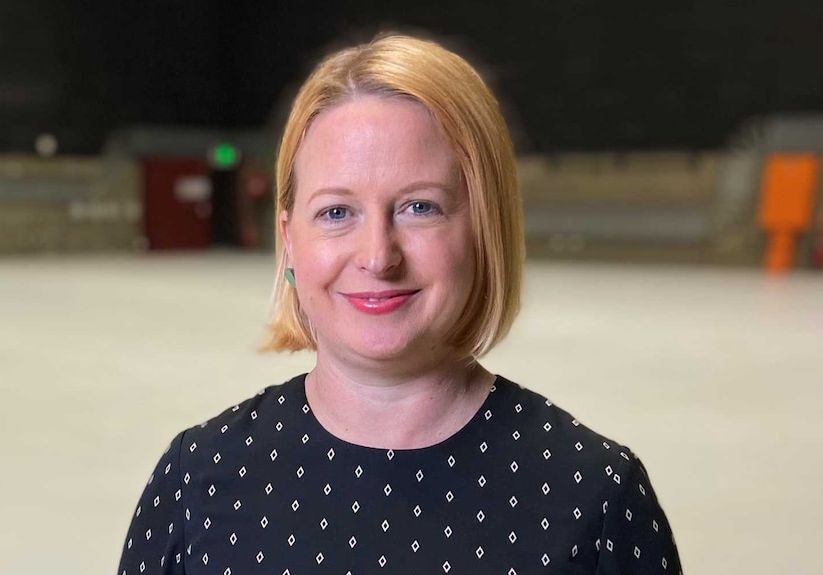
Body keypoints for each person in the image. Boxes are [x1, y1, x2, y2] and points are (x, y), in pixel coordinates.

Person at [117, 33, 682, 574]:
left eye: (420, 208)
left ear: (486, 229)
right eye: (336, 212)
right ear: (290, 240)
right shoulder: (198, 481)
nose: (378, 256)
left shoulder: (597, 501)